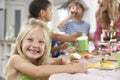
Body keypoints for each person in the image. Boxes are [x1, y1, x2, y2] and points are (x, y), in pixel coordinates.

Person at [5, 18, 87, 80]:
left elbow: (60, 60)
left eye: (41, 42)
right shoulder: (15, 60)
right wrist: (74, 68)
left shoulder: (40, 61)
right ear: (21, 42)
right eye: (30, 40)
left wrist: (68, 62)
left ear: (46, 46)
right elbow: (38, 72)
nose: (35, 45)